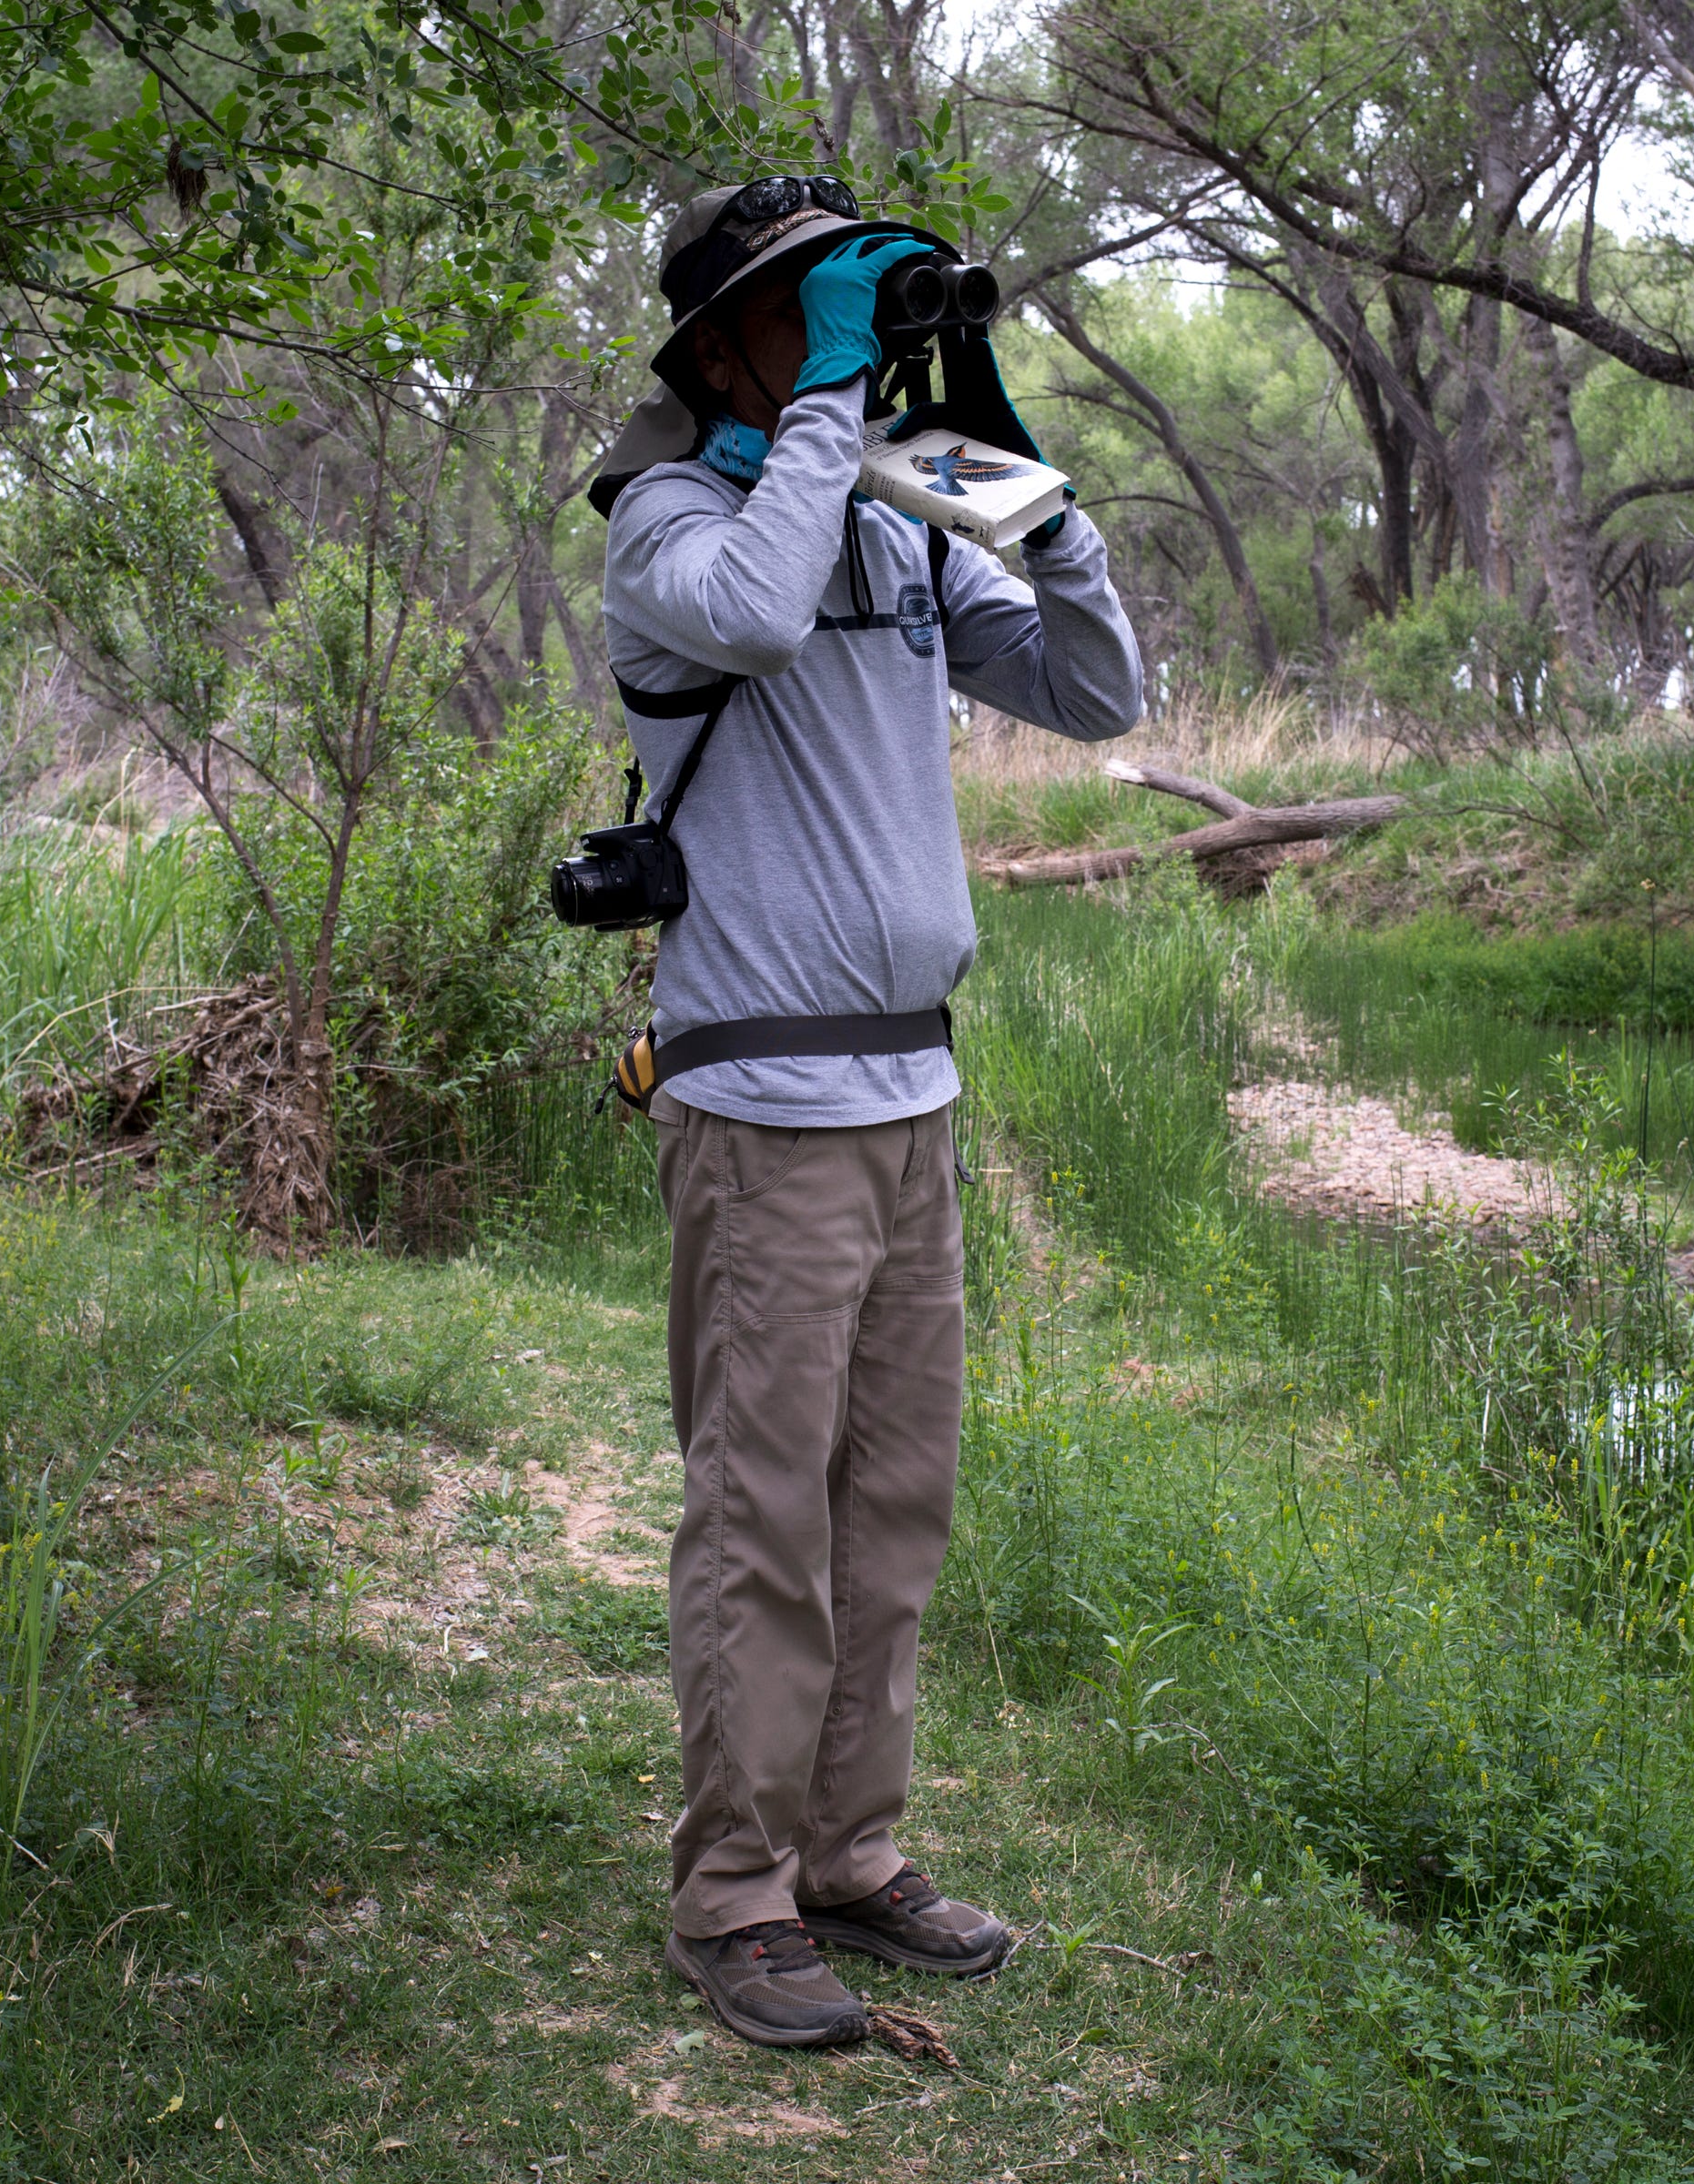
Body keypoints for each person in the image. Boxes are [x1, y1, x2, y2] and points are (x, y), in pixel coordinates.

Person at [585, 177, 1143, 2048]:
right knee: (765, 1512)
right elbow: (747, 617)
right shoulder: (670, 517)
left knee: (891, 1511)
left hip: (912, 1079)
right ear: (728, 342)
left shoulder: (894, 522)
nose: (841, 332)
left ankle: (848, 1853)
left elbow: (1093, 685)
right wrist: (839, 397)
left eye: (853, 305)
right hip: (764, 1098)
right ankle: (734, 1893)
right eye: (803, 306)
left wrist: (1026, 484)